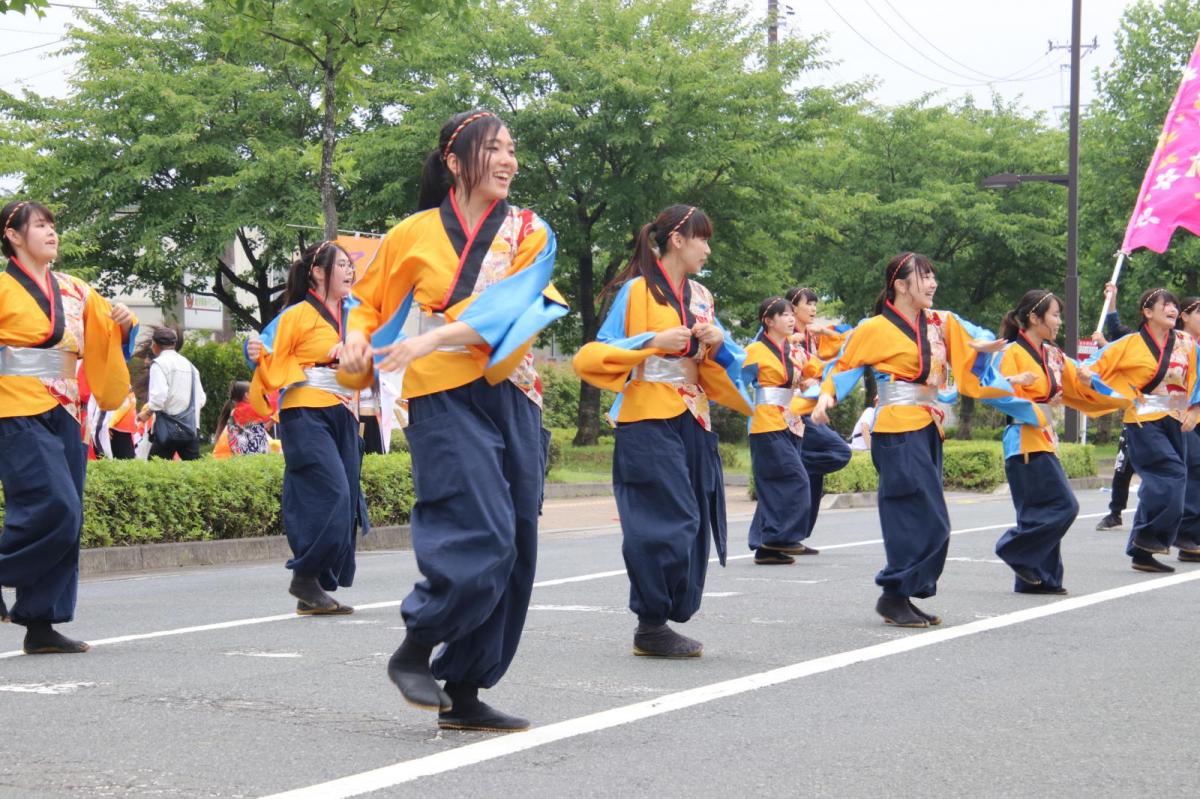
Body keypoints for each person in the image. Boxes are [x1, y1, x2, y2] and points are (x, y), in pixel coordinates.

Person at [339, 110, 567, 732]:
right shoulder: (412, 232)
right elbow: (366, 303)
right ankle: (418, 644)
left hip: (513, 390)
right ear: (453, 159)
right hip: (441, 394)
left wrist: (425, 340)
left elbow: (514, 304)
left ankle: (464, 689)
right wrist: (358, 341)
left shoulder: (529, 230)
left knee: (516, 542)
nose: (508, 160)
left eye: (512, 149)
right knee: (481, 530)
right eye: (493, 148)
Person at [575, 203, 751, 658]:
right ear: (678, 240)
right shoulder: (637, 291)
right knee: (669, 518)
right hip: (647, 414)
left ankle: (662, 620)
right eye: (703, 239)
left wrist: (718, 342)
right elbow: (601, 348)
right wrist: (652, 341)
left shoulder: (702, 296)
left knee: (694, 522)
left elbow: (735, 360)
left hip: (694, 415)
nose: (708, 249)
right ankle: (650, 621)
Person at [811, 252, 1003, 628]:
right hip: (896, 427)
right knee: (913, 514)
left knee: (932, 519)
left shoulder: (940, 321)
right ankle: (894, 592)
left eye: (933, 276)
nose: (932, 284)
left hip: (927, 424)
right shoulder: (874, 328)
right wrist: (826, 396)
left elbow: (974, 336)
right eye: (924, 277)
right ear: (900, 285)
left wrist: (980, 347)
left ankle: (899, 593)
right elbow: (845, 364)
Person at [0, 200, 136, 651]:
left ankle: (41, 623)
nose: (52, 233)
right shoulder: (2, 287)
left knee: (69, 516)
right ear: (13, 236)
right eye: (40, 226)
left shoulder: (75, 288)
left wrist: (125, 321)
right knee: (54, 506)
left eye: (54, 225)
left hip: (67, 410)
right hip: (15, 406)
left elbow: (109, 339)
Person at [981, 290, 1129, 594]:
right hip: (1023, 440)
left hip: (1045, 439)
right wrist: (1018, 387)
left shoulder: (1052, 354)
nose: (1059, 321)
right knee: (1064, 505)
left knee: (1038, 511)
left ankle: (1036, 578)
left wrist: (1096, 382)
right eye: (1054, 315)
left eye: (1059, 315)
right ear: (1035, 318)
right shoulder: (1011, 353)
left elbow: (1079, 377)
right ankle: (1014, 549)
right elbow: (993, 391)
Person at [249, 241, 363, 615]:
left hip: (344, 411)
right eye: (341, 264)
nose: (349, 271)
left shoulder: (358, 313)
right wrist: (256, 351)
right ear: (317, 271)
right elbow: (266, 354)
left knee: (346, 503)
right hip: (305, 411)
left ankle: (311, 587)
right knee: (334, 494)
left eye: (351, 264)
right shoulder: (297, 314)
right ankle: (305, 575)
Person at [1085, 287, 1200, 573]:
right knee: (1171, 475)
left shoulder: (1186, 342)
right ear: (1148, 312)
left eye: (1175, 304)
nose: (1173, 308)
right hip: (1142, 421)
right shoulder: (1130, 343)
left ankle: (1142, 551)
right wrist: (1088, 375)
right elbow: (1093, 365)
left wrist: (1195, 409)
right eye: (1166, 305)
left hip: (1175, 419)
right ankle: (1151, 537)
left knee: (1168, 481)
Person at [743, 296, 818, 565]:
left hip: (792, 422)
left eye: (790, 314)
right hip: (765, 422)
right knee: (795, 478)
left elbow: (819, 370)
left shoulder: (795, 351)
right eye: (783, 314)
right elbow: (736, 380)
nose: (790, 318)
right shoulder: (754, 351)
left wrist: (814, 382)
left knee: (775, 485)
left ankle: (767, 548)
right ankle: (779, 536)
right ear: (768, 321)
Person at [785, 286, 852, 550]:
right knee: (839, 451)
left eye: (815, 304)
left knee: (814, 478)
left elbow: (851, 342)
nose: (813, 309)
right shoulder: (785, 335)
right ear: (792, 307)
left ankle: (795, 535)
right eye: (808, 304)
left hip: (810, 408)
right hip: (792, 410)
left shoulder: (814, 336)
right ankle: (794, 464)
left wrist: (824, 331)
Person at [1092, 282, 1135, 531]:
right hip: (1139, 416)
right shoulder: (1141, 341)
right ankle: (1115, 511)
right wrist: (1112, 300)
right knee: (1123, 466)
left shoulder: (1183, 344)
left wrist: (1106, 346)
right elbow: (1118, 332)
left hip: (1181, 418)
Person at [137, 326, 204, 460]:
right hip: (190, 428)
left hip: (168, 429)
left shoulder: (159, 364)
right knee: (196, 474)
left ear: (154, 345)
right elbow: (201, 399)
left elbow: (159, 398)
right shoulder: (190, 366)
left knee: (155, 473)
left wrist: (147, 413)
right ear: (173, 344)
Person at [213, 379, 272, 457]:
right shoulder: (250, 409)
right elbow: (269, 414)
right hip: (256, 452)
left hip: (242, 453)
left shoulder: (234, 411)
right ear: (247, 395)